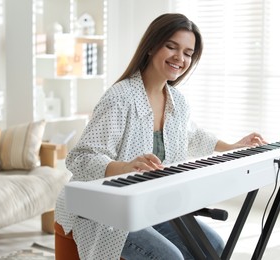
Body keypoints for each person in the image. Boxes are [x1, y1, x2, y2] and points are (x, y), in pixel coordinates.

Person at [54, 13, 266, 260]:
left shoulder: (177, 101)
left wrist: (231, 146)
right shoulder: (120, 98)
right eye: (171, 47)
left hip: (148, 206)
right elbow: (80, 159)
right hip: (103, 210)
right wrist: (123, 167)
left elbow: (191, 134)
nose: (180, 57)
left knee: (216, 247)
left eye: (188, 53)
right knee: (170, 257)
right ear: (152, 46)